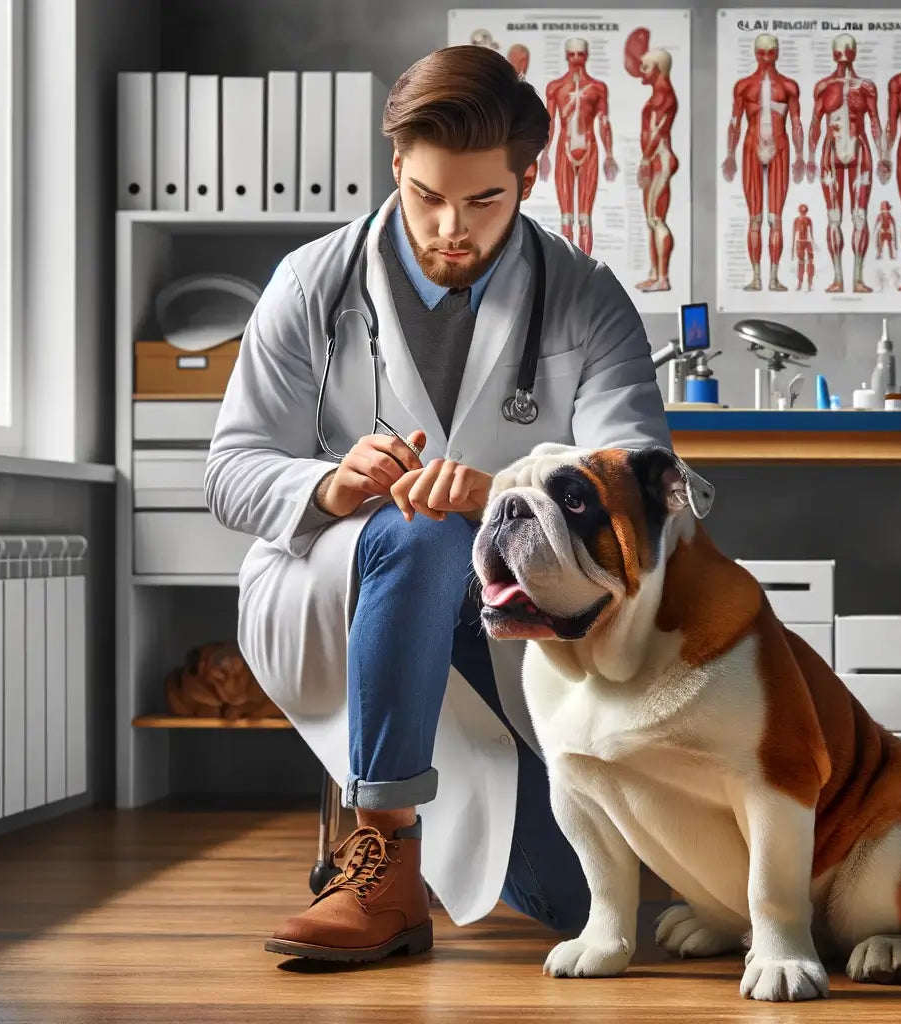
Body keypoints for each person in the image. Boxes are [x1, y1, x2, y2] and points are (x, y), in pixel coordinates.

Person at [203, 45, 671, 961]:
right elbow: (229, 470)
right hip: (342, 585)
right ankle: (381, 856)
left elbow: (643, 481)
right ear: (396, 169)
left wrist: (503, 496)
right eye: (427, 195)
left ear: (527, 182)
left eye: (483, 200)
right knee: (416, 537)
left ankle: (393, 824)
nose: (451, 227)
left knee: (592, 904)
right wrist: (329, 483)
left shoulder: (586, 298)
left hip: (513, 613)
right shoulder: (312, 284)